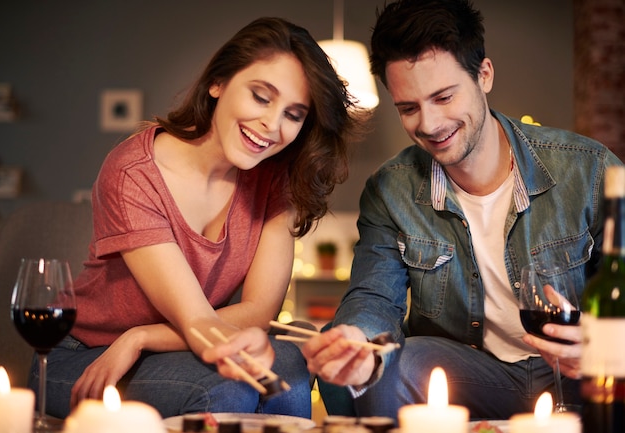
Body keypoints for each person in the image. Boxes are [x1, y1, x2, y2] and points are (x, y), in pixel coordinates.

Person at [301, 0, 623, 421]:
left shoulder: (590, 169)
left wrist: (605, 345)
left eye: (443, 97)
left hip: (580, 373)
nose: (430, 124)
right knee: (386, 364)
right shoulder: (390, 189)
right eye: (409, 108)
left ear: (484, 76)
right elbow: (373, 296)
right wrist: (358, 344)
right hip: (471, 373)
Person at [35, 17, 365, 419]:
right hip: (84, 355)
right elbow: (197, 319)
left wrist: (139, 338)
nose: (272, 126)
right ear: (218, 83)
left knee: (289, 365)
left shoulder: (278, 179)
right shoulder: (133, 173)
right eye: (261, 97)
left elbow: (258, 312)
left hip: (160, 346)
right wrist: (133, 342)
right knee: (230, 392)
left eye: (293, 114)